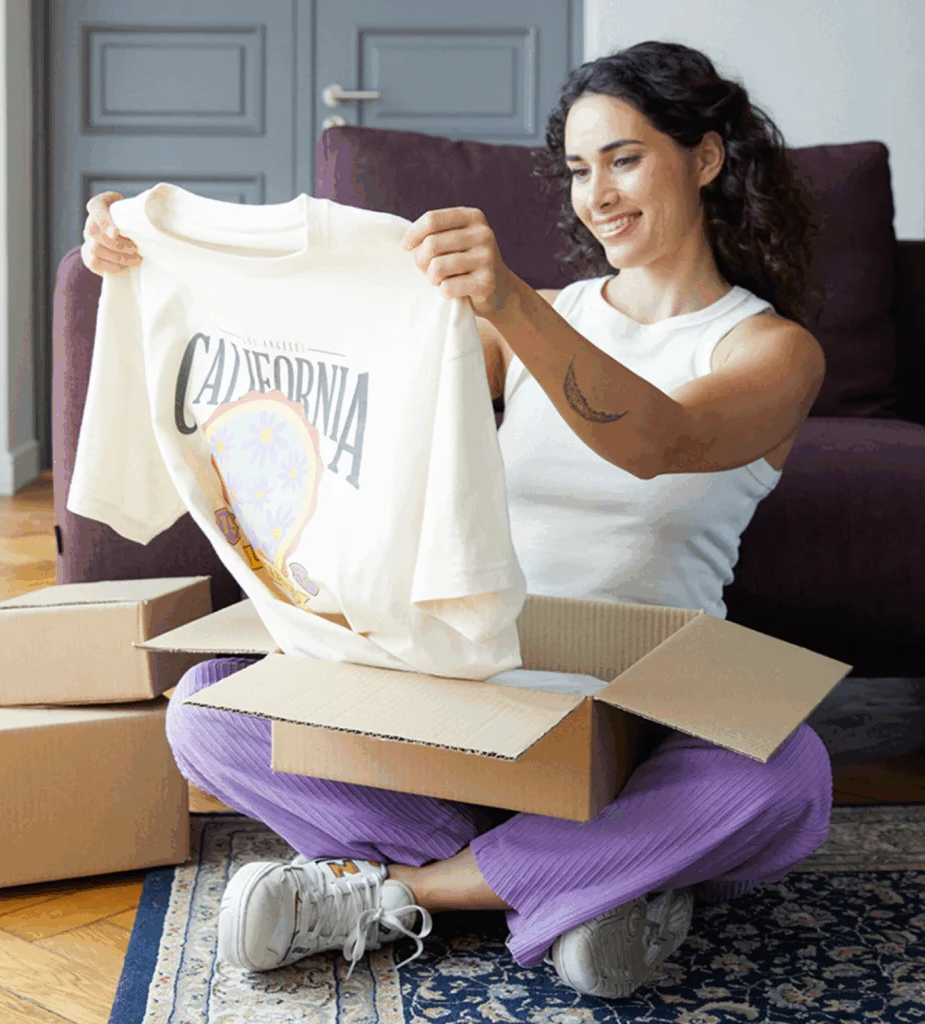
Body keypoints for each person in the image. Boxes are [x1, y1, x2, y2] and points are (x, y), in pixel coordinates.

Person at [81, 40, 832, 1001]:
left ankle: (403, 893)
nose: (596, 193)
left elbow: (660, 439)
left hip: (641, 712)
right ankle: (590, 879)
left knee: (792, 774)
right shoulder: (537, 319)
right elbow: (345, 356)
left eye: (626, 158)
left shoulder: (771, 349)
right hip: (475, 695)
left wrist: (512, 299)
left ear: (707, 158)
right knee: (206, 710)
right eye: (576, 168)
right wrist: (158, 259)